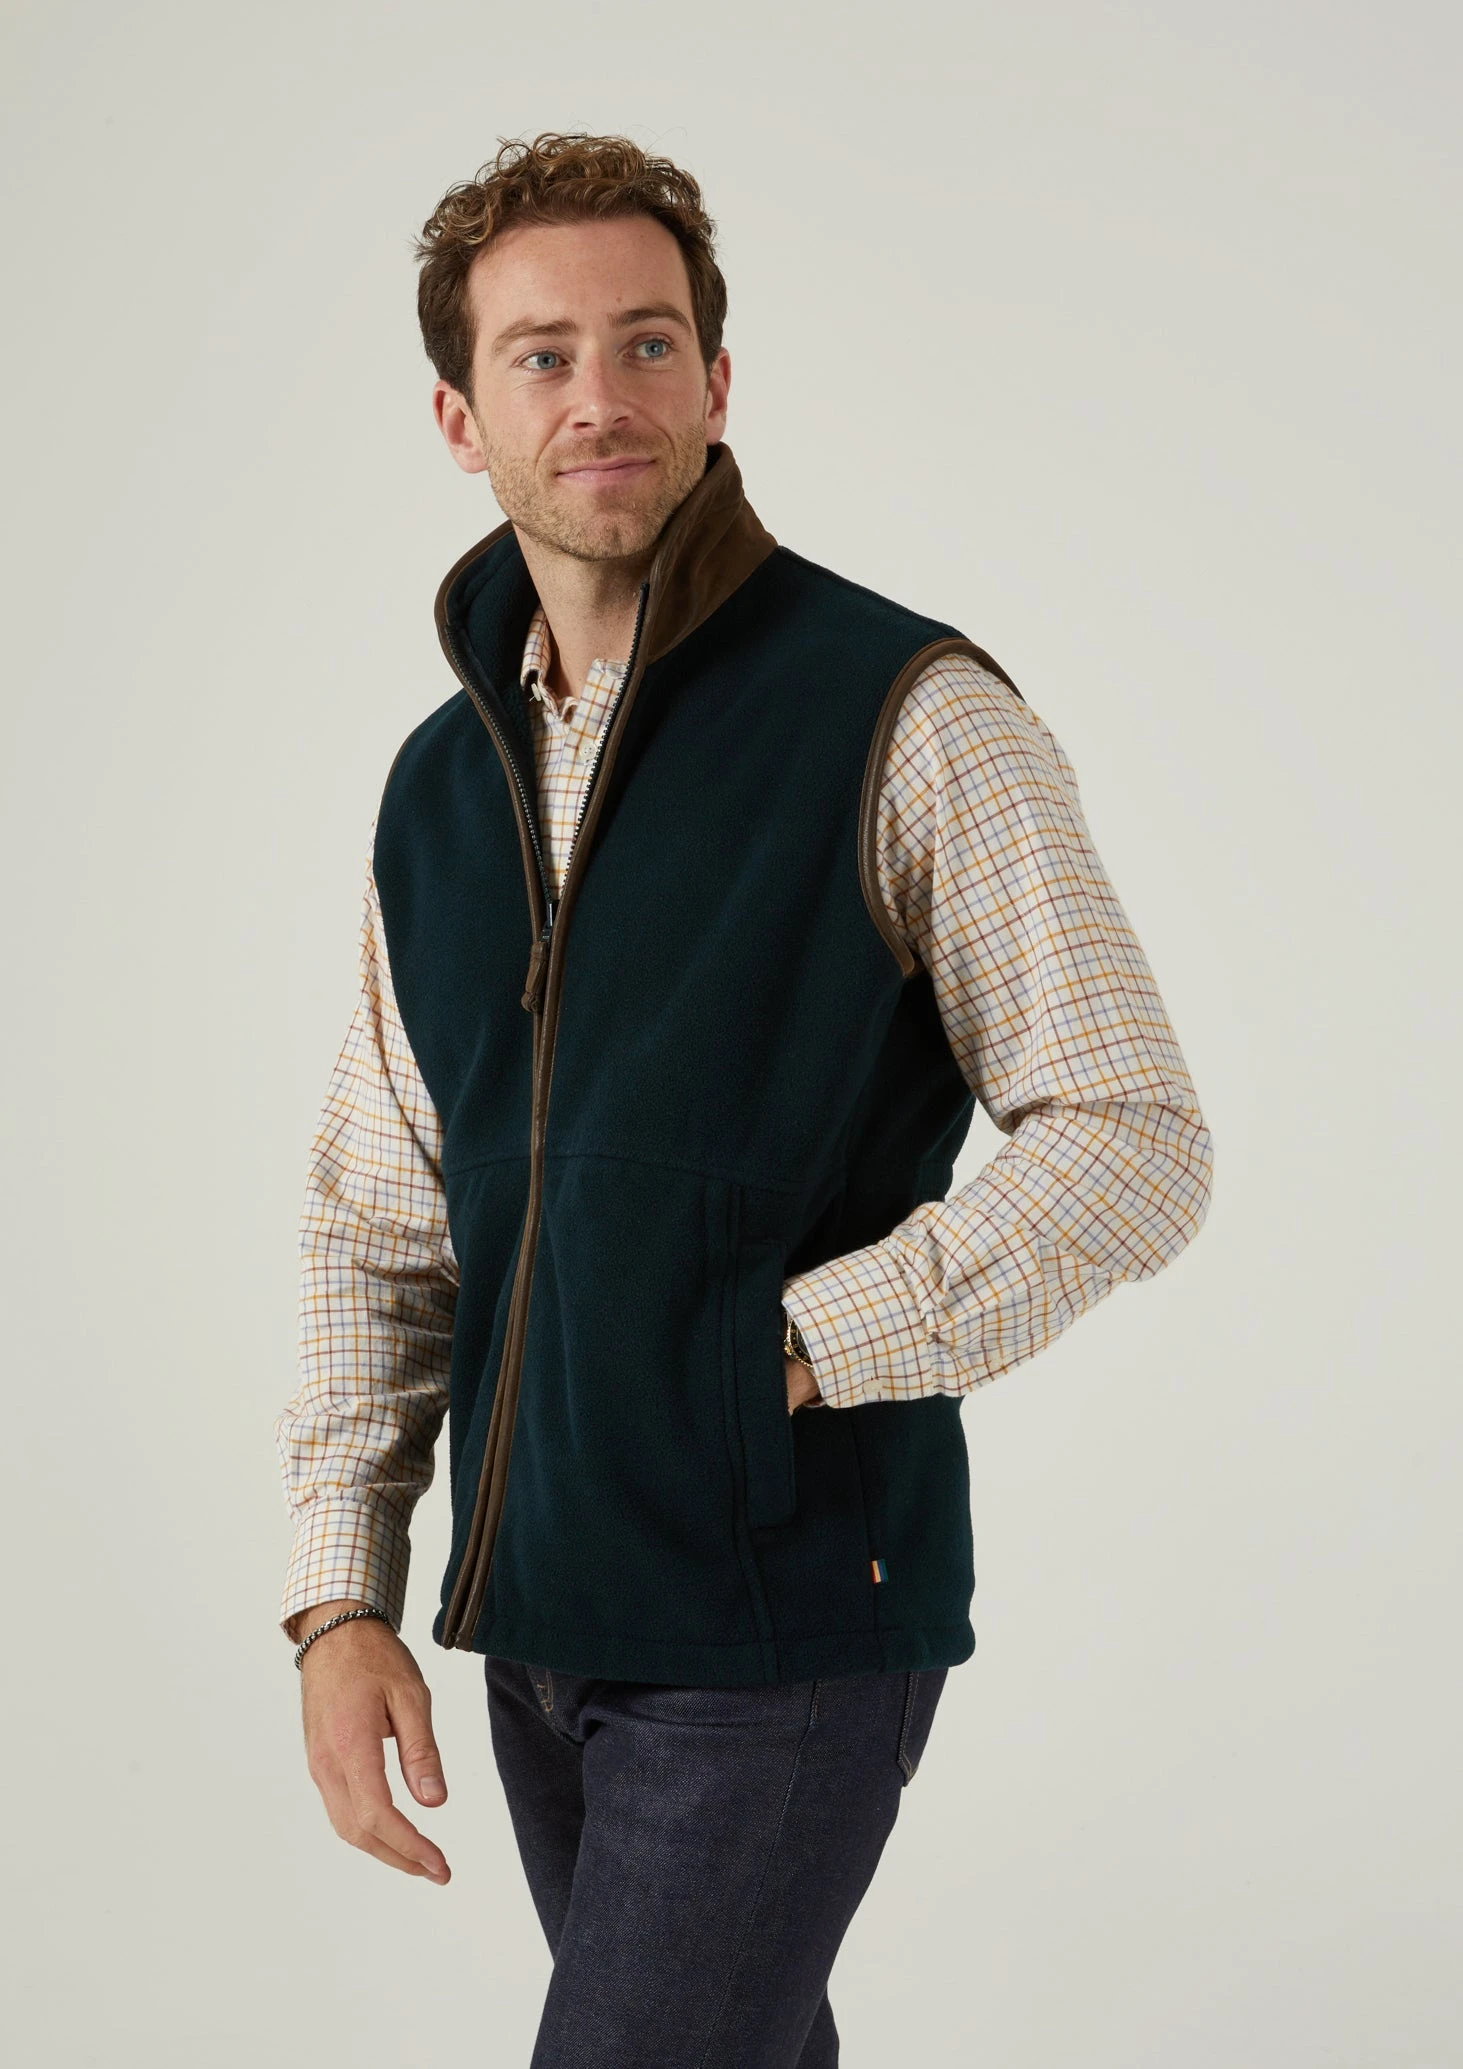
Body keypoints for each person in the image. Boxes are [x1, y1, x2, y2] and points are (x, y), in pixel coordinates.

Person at [272, 130, 1214, 2067]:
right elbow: (382, 1217)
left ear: (715, 380)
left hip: (777, 1616)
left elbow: (1129, 1136)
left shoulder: (903, 712)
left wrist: (774, 1353)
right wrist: (335, 1598)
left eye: (645, 342)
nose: (598, 396)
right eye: (540, 356)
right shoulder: (436, 790)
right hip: (534, 1618)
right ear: (458, 417)